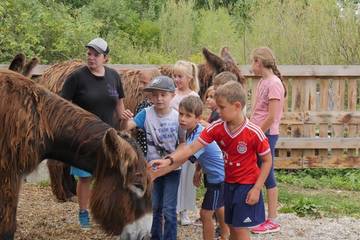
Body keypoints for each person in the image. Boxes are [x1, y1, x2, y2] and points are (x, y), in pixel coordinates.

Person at [150, 81, 272, 240]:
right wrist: (168, 160)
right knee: (232, 229)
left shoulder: (254, 132)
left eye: (222, 107)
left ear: (237, 106)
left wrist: (256, 188)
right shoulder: (216, 127)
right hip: (228, 184)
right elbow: (191, 148)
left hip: (246, 186)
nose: (217, 111)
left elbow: (267, 160)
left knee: (240, 232)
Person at [60, 37, 125, 229]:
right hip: (84, 137)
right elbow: (63, 105)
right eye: (89, 53)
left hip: (109, 136)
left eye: (96, 54)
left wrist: (124, 116)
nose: (91, 57)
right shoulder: (76, 77)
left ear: (106, 58)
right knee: (85, 176)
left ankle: (105, 212)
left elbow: (119, 104)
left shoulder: (114, 76)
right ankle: (83, 213)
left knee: (109, 176)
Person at [122, 75, 185, 240]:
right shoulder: (146, 114)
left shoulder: (178, 117)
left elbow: (183, 144)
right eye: (155, 95)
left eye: (163, 94)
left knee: (169, 209)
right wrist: (124, 120)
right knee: (155, 207)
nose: (159, 99)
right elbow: (129, 126)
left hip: (172, 169)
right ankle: (155, 236)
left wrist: (172, 159)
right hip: (153, 170)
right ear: (150, 96)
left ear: (172, 95)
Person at [178, 96, 230, 240]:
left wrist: (167, 163)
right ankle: (226, 235)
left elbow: (184, 157)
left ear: (198, 118)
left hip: (218, 178)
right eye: (181, 114)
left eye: (188, 115)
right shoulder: (193, 130)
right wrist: (198, 171)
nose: (183, 119)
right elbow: (202, 155)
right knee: (219, 206)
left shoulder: (199, 134)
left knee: (205, 214)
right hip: (215, 174)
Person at [249, 47, 286, 234]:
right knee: (256, 173)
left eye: (252, 62)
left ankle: (272, 220)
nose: (251, 67)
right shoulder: (263, 82)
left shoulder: (274, 83)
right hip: (258, 132)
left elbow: (271, 117)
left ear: (259, 62)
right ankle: (257, 216)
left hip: (267, 134)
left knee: (267, 173)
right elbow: (258, 111)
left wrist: (256, 133)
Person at [171, 60, 200, 225]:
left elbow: (197, 120)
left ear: (189, 78)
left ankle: (184, 211)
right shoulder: (171, 94)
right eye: (175, 76)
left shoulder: (194, 96)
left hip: (190, 143)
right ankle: (173, 209)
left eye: (180, 76)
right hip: (173, 141)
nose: (177, 79)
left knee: (187, 176)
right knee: (175, 176)